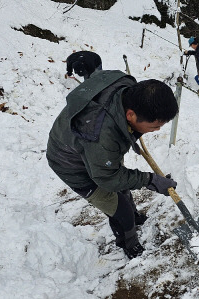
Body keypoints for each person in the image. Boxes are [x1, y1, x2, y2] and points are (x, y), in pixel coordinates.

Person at [46, 70, 179, 259]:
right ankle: (129, 244)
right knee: (120, 210)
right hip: (70, 163)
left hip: (89, 147)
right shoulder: (101, 137)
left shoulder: (123, 83)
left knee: (124, 189)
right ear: (131, 115)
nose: (157, 130)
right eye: (154, 126)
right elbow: (108, 178)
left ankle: (136, 218)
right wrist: (151, 180)